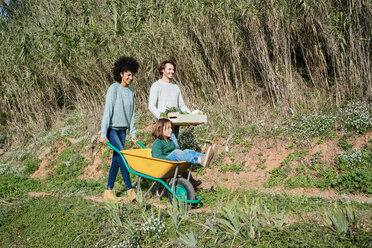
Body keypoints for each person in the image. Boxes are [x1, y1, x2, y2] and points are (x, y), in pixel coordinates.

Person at [99, 56, 139, 203]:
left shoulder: (131, 92)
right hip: (113, 130)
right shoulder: (113, 88)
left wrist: (133, 134)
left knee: (117, 158)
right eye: (128, 74)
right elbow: (107, 111)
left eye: (132, 75)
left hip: (123, 131)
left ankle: (108, 190)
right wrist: (104, 133)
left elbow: (132, 114)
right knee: (122, 156)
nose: (131, 77)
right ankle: (130, 190)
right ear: (121, 73)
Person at [148, 60, 191, 149]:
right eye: (169, 69)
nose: (172, 71)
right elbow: (151, 105)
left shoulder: (176, 87)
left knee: (169, 148)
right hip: (163, 124)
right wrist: (161, 116)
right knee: (175, 146)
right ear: (162, 70)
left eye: (173, 69)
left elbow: (182, 106)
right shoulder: (156, 85)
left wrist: (191, 115)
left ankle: (165, 161)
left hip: (175, 123)